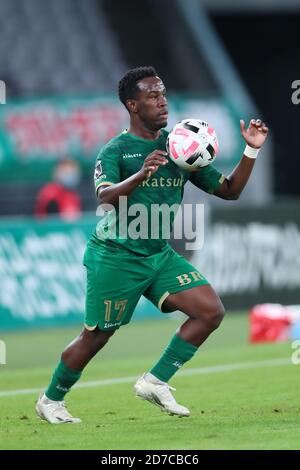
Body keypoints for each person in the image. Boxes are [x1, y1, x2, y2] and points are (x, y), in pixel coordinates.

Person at [35, 66, 268, 423]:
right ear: (132, 104)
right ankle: (51, 400)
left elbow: (229, 190)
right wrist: (140, 175)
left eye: (163, 94)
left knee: (210, 311)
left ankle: (155, 381)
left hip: (157, 253)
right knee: (97, 336)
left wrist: (251, 152)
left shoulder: (179, 145)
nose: (162, 102)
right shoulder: (116, 150)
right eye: (152, 96)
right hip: (116, 255)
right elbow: (105, 198)